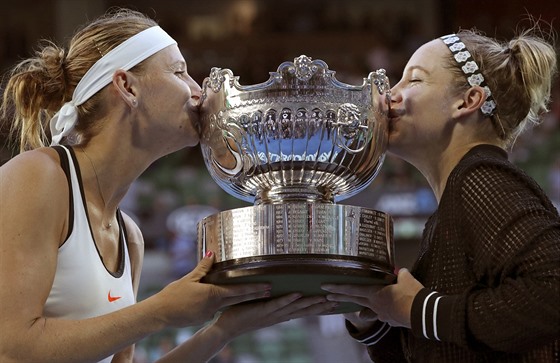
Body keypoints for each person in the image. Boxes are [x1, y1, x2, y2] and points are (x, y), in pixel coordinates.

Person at [0, 8, 337, 363]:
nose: (197, 91)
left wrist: (223, 330)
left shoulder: (130, 238)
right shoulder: (38, 176)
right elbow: (11, 345)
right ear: (127, 87)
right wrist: (161, 310)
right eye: (179, 72)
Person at [322, 25, 560, 362]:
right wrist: (374, 320)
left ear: (468, 100)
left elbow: (553, 293)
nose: (391, 94)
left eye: (414, 80)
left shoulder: (482, 179)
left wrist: (420, 310)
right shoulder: (459, 197)